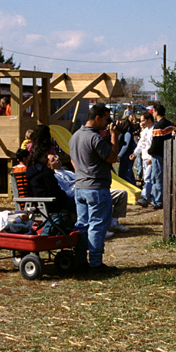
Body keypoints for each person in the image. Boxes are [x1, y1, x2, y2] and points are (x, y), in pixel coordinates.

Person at [69, 103, 120, 273]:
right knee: (97, 226)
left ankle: (81, 260)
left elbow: (73, 161)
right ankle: (96, 264)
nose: (108, 123)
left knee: (82, 225)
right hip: (96, 187)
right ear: (97, 118)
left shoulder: (74, 136)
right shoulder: (95, 138)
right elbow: (112, 157)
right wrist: (114, 136)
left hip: (80, 186)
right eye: (106, 119)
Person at [148, 103, 174, 210]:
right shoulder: (169, 124)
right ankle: (165, 198)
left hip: (158, 155)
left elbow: (156, 142)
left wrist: (150, 151)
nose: (153, 114)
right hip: (167, 154)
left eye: (153, 112)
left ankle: (158, 201)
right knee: (166, 177)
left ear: (156, 112)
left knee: (158, 178)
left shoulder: (158, 126)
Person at [130, 112, 154, 207]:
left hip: (149, 158)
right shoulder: (145, 131)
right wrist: (135, 154)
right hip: (144, 157)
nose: (142, 123)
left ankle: (145, 197)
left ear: (149, 120)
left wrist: (151, 157)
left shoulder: (154, 130)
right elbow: (141, 144)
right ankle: (148, 196)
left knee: (148, 178)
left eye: (143, 120)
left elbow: (154, 145)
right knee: (147, 178)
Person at [117, 118, 137, 184]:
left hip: (127, 156)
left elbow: (125, 146)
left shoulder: (127, 133)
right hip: (125, 156)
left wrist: (119, 155)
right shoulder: (124, 133)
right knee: (129, 174)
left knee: (124, 174)